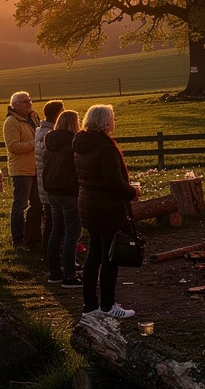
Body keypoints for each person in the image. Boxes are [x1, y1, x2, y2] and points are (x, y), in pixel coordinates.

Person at [73, 104, 140, 318]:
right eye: (112, 118)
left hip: (88, 204)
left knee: (94, 254)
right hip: (106, 207)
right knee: (110, 256)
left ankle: (90, 305)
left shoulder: (81, 144)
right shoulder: (105, 148)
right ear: (105, 122)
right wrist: (132, 192)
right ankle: (108, 305)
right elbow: (113, 182)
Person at [43, 109, 82, 287]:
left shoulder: (50, 143)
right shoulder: (73, 143)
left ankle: (54, 272)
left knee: (56, 232)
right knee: (71, 234)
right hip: (69, 192)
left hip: (52, 192)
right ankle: (69, 275)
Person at [4, 91, 41, 249]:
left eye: (30, 100)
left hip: (35, 168)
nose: (30, 103)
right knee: (20, 206)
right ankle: (18, 240)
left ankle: (33, 236)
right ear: (15, 105)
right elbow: (13, 147)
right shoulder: (11, 122)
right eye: (25, 101)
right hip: (21, 170)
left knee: (38, 204)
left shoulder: (33, 118)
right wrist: (36, 143)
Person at [34, 100, 64, 263]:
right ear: (57, 114)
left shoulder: (40, 132)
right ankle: (52, 257)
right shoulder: (50, 136)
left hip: (44, 183)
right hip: (51, 184)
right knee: (54, 224)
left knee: (51, 223)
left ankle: (50, 256)